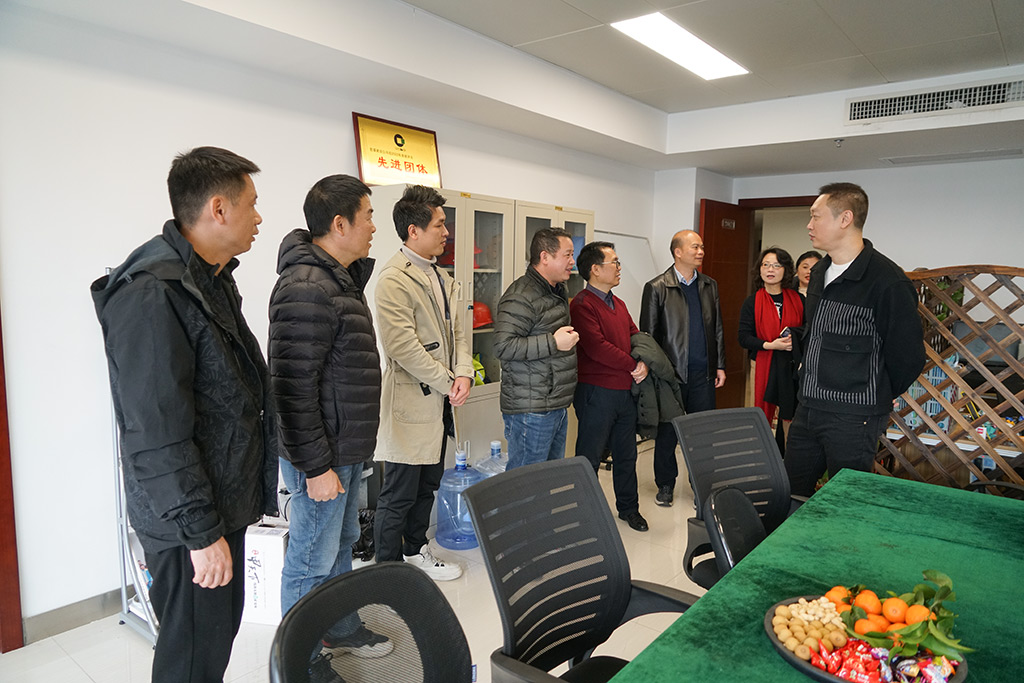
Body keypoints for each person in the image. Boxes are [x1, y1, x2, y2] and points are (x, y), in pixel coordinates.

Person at [91, 147, 278, 683]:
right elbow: (156, 434)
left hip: (219, 504)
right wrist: (200, 533)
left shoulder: (208, 279)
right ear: (218, 208)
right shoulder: (153, 293)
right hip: (191, 520)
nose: (259, 217)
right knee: (192, 658)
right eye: (252, 204)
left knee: (210, 645)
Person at [269, 174, 391, 681]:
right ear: (339, 224)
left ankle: (339, 627)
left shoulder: (338, 280)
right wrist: (316, 467)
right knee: (310, 559)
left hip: (345, 447)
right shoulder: (306, 286)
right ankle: (298, 661)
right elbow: (292, 389)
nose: (374, 227)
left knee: (340, 545)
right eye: (368, 217)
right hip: (321, 455)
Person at [785, 182, 925, 496]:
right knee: (790, 495)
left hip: (854, 417)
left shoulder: (887, 281)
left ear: (845, 219)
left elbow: (908, 357)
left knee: (845, 500)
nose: (809, 225)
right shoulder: (819, 272)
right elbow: (814, 335)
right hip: (808, 406)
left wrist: (875, 391)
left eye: (816, 216)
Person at [373, 185, 472, 582]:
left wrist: (463, 373)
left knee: (428, 485)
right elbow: (403, 348)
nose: (446, 232)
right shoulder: (393, 279)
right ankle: (387, 571)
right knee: (398, 494)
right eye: (439, 225)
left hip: (441, 401)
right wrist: (449, 381)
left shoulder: (441, 276)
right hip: (412, 402)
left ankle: (415, 551)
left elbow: (459, 334)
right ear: (413, 231)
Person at [640, 229, 726, 507]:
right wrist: (655, 373)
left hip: (703, 374)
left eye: (702, 247)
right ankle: (665, 485)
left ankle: (702, 487)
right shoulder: (657, 287)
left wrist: (720, 365)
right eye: (695, 247)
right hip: (671, 376)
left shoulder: (709, 285)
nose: (701, 252)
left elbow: (717, 329)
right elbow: (648, 336)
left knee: (702, 435)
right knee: (667, 434)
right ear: (678, 252)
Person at [570, 242, 649, 532]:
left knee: (626, 454)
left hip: (624, 392)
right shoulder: (582, 305)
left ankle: (629, 509)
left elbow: (635, 335)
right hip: (596, 392)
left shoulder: (620, 304)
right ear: (595, 269)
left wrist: (644, 362)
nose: (618, 268)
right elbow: (597, 348)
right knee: (589, 457)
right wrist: (632, 365)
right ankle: (584, 516)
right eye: (613, 262)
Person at [494, 228, 579, 470]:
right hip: (531, 410)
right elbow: (503, 346)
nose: (572, 262)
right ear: (545, 257)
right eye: (567, 255)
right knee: (525, 482)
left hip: (554, 403)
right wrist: (553, 342)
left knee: (547, 480)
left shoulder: (556, 290)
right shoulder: (521, 296)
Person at [737, 247, 804, 436]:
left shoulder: (798, 299)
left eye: (776, 265)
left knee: (790, 415)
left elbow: (808, 330)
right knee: (761, 415)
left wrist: (794, 340)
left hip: (791, 365)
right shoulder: (752, 301)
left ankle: (787, 452)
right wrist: (770, 345)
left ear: (786, 270)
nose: (770, 269)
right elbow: (743, 337)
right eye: (765, 265)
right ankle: (763, 449)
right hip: (762, 362)